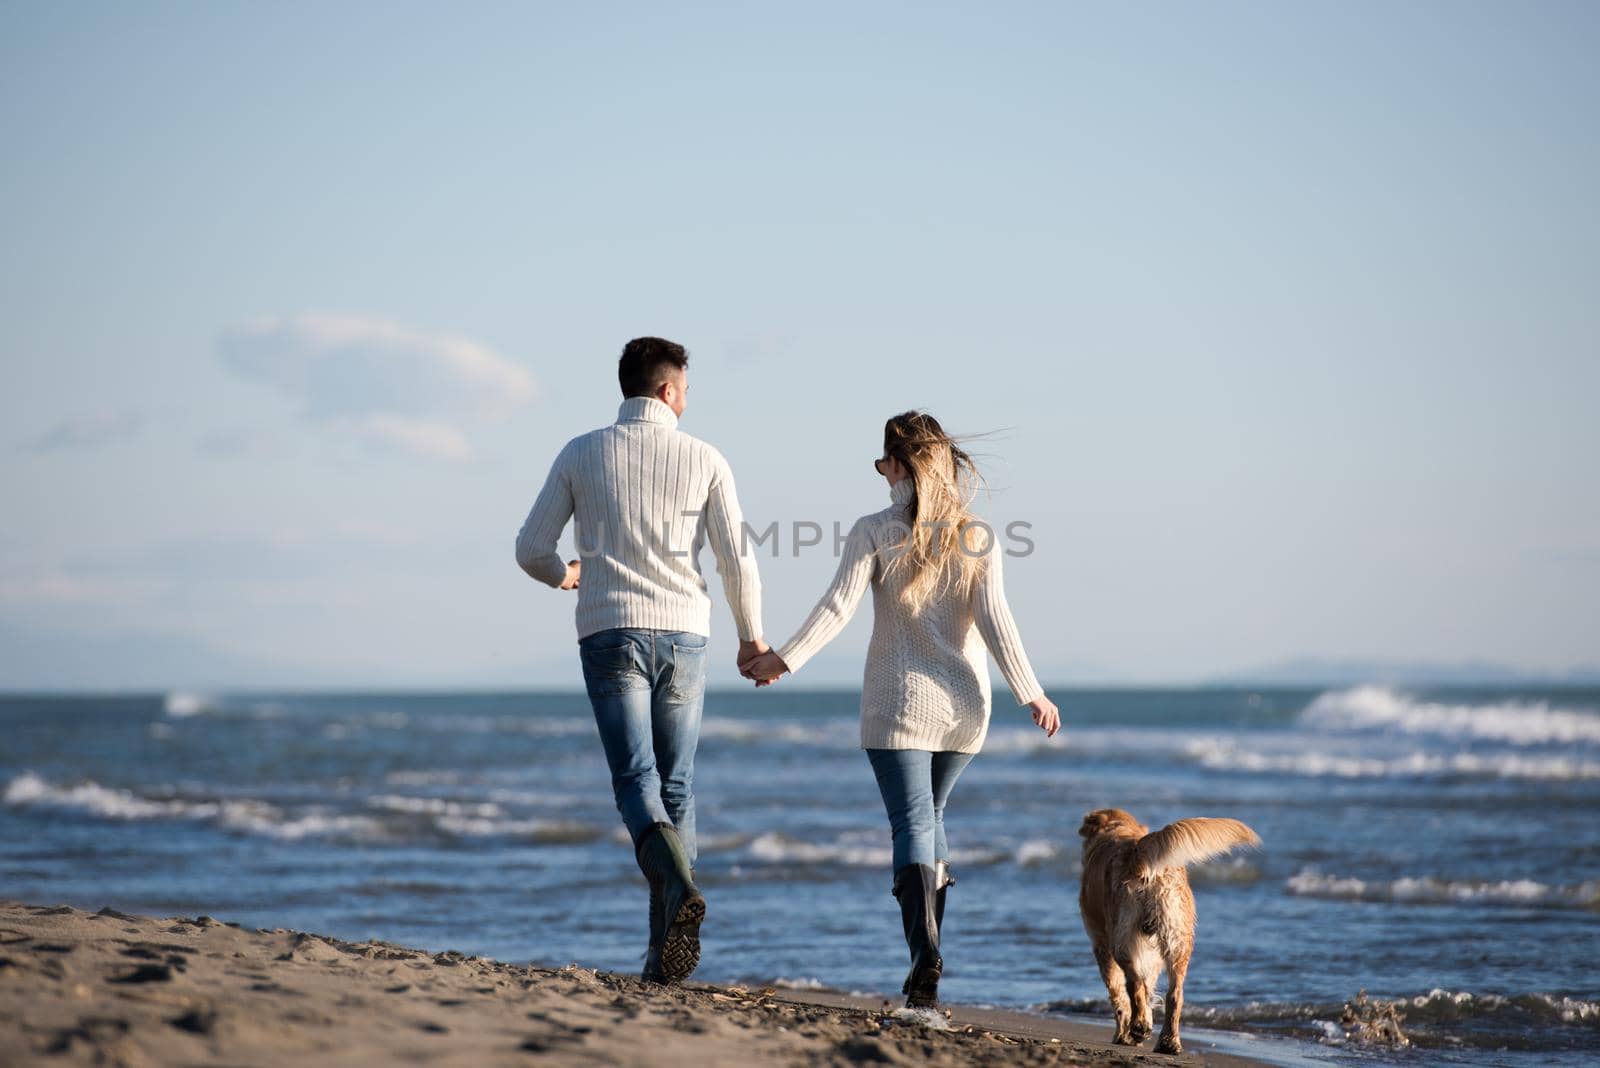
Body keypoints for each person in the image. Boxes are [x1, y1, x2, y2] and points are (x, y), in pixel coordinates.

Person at [740, 410, 1059, 1009]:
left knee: (912, 823)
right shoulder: (978, 535)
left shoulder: (872, 530)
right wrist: (1030, 692)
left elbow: (836, 608)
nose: (879, 471)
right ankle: (927, 958)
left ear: (898, 464)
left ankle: (924, 956)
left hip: (898, 706)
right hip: (966, 709)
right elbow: (997, 621)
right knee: (930, 820)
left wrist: (784, 660)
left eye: (881, 460)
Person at [515, 336, 769, 984]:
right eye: (684, 387)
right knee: (676, 786)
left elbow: (529, 547)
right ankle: (662, 952)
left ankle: (670, 913)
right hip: (685, 634)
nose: (687, 398)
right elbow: (737, 559)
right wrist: (752, 637)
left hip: (609, 631)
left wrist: (563, 574)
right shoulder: (706, 458)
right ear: (666, 390)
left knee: (636, 783)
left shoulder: (581, 452)